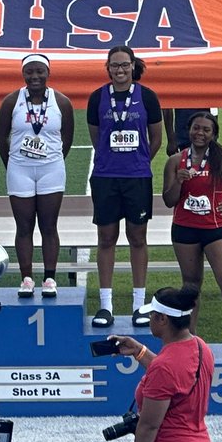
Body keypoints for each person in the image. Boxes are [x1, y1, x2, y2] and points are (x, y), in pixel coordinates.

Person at [109, 286, 216, 442]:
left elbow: (149, 425)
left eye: (152, 316)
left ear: (163, 319)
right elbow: (175, 377)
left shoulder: (165, 366)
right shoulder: (201, 347)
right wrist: (139, 352)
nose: (149, 320)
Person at [162, 112, 222, 352]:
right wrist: (179, 181)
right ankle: (190, 337)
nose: (200, 133)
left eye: (206, 130)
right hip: (185, 228)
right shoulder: (176, 161)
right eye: (196, 128)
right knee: (191, 284)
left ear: (214, 134)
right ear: (189, 130)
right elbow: (168, 200)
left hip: (215, 227)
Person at [88, 45, 163, 328]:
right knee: (106, 238)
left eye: (124, 65)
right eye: (114, 66)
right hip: (106, 176)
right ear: (107, 68)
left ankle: (139, 304)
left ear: (133, 66)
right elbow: (97, 138)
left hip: (137, 177)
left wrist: (140, 160)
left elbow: (155, 138)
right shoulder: (98, 98)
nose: (120, 70)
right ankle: (105, 305)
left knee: (137, 238)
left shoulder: (147, 97)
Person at [0, 54, 75, 298]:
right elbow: (2, 137)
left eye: (40, 71)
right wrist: (12, 164)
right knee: (24, 226)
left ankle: (50, 278)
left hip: (51, 168)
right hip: (20, 169)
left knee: (49, 225)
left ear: (48, 73)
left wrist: (54, 159)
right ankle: (27, 278)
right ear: (23, 74)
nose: (35, 76)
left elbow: (68, 137)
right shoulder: (12, 101)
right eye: (29, 72)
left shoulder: (61, 102)